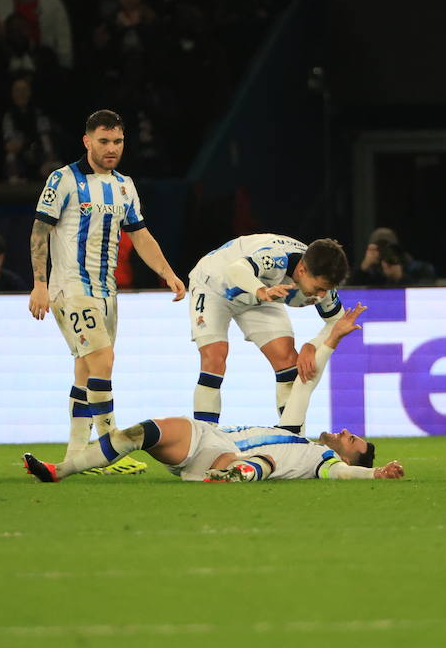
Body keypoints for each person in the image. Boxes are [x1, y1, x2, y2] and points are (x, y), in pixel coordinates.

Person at [23, 304, 404, 482]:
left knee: (252, 463)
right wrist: (331, 338)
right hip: (207, 439)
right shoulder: (294, 434)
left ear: (349, 458)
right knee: (143, 432)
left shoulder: (324, 461)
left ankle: (233, 474)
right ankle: (60, 471)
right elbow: (304, 385)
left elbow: (343, 477)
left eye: (350, 440)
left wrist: (375, 476)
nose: (343, 433)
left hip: (230, 459)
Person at [28, 109, 185, 475]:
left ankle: (76, 456)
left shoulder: (124, 185)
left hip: (106, 293)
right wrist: (39, 282)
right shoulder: (63, 179)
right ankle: (110, 449)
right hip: (70, 288)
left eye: (117, 141)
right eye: (104, 141)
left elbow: (140, 235)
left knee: (85, 371)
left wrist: (167, 273)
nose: (111, 148)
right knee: (103, 362)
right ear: (87, 141)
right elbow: (40, 231)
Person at [187, 233, 349, 432]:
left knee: (288, 361)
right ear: (302, 270)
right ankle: (204, 438)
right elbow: (236, 270)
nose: (321, 295)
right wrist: (261, 290)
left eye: (326, 290)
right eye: (319, 288)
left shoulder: (322, 280)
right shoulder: (276, 257)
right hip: (215, 286)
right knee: (214, 358)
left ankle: (293, 439)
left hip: (263, 293)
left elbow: (337, 322)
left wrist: (311, 346)